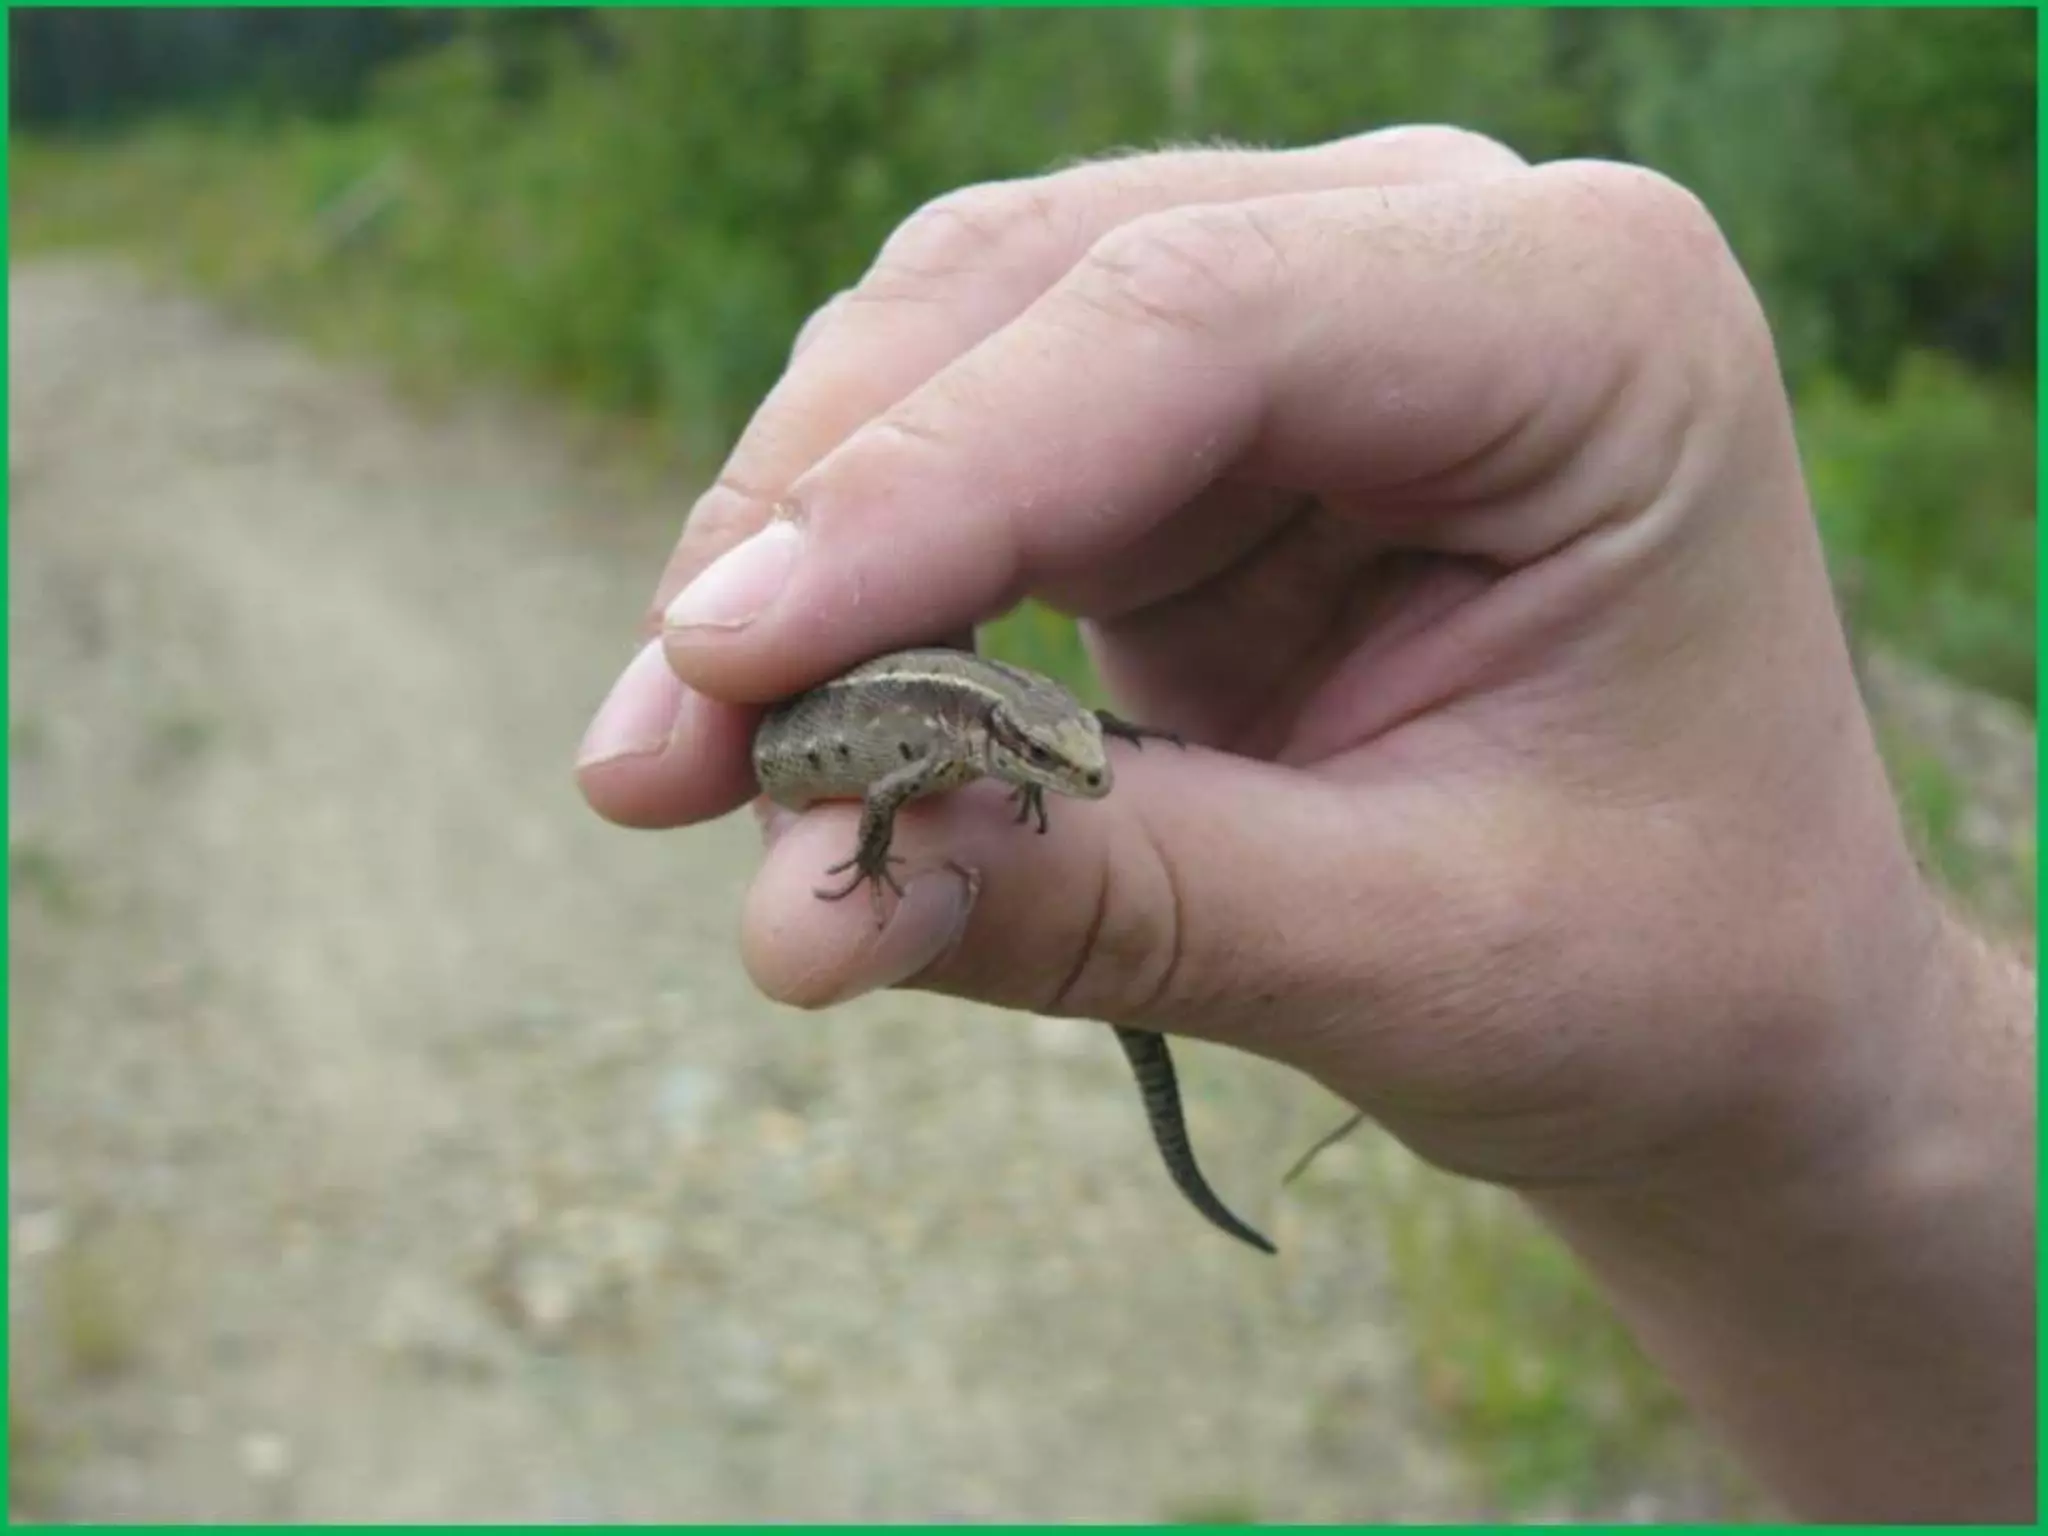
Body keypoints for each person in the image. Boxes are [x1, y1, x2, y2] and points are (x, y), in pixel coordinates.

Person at [574, 128, 2036, 1521]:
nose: (1071, 776)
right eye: (1040, 757)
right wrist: (886, 860)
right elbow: (892, 791)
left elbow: (1038, 745)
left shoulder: (1003, 734)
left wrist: (1850, 1089)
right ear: (995, 736)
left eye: (1058, 753)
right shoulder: (933, 747)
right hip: (801, 741)